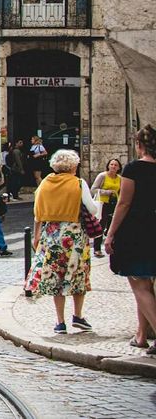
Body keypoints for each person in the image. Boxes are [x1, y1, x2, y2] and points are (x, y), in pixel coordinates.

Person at [26, 149, 99, 335]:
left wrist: (36, 237)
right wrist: (98, 204)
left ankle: (60, 322)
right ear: (73, 166)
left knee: (56, 276)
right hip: (74, 236)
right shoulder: (79, 183)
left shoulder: (45, 183)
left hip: (51, 235)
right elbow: (92, 209)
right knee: (78, 274)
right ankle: (78, 316)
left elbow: (37, 213)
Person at [105, 125, 156, 356]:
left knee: (140, 286)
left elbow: (124, 203)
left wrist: (111, 233)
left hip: (138, 232)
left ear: (139, 145)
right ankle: (141, 336)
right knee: (145, 287)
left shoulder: (133, 168)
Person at [90, 158, 122, 258]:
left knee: (113, 226)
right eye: (111, 164)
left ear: (119, 167)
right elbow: (93, 190)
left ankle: (112, 247)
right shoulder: (102, 176)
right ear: (108, 166)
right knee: (101, 225)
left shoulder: (120, 178)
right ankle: (97, 249)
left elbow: (121, 191)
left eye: (116, 165)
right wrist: (107, 192)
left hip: (114, 204)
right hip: (103, 204)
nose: (113, 166)